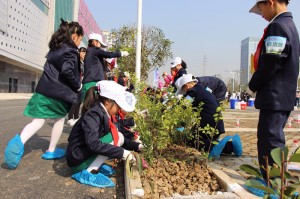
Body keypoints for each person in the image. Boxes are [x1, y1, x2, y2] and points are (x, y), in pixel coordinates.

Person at [4, 20, 84, 169]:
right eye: (80, 38)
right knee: (59, 120)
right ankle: (51, 150)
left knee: (37, 121)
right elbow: (67, 71)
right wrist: (78, 85)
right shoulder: (71, 51)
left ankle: (18, 142)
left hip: (43, 91)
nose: (80, 42)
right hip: (58, 94)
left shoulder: (55, 48)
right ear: (74, 36)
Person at [248, 0, 299, 178]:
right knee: (273, 138)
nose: (261, 15)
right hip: (282, 96)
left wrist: (252, 85)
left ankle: (273, 182)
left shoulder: (277, 27)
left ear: (270, 3)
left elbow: (270, 62)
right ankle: (276, 179)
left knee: (270, 141)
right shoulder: (289, 25)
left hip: (274, 96)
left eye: (261, 9)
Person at [66, 80, 142, 188]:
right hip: (77, 160)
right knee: (115, 136)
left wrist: (138, 146)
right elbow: (93, 144)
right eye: (118, 105)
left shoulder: (102, 113)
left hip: (81, 154)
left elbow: (119, 138)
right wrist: (123, 153)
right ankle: (90, 171)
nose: (119, 109)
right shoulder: (94, 114)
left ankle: (94, 165)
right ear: (107, 101)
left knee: (116, 135)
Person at [175, 74, 242, 158]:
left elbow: (182, 106)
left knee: (196, 142)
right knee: (206, 142)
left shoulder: (193, 92)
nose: (185, 92)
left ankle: (224, 147)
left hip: (209, 124)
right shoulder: (201, 90)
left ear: (187, 86)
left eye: (183, 90)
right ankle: (232, 146)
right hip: (216, 123)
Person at [82, 33, 129, 100]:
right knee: (92, 106)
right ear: (94, 41)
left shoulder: (89, 52)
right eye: (99, 44)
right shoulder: (94, 50)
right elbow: (108, 54)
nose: (100, 46)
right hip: (93, 84)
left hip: (87, 84)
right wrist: (121, 53)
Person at [67, 47, 87, 127]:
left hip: (81, 83)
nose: (84, 54)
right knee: (74, 101)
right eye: (83, 52)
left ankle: (76, 117)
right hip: (75, 83)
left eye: (85, 53)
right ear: (79, 52)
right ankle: (70, 118)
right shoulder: (76, 62)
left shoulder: (83, 63)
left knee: (79, 101)